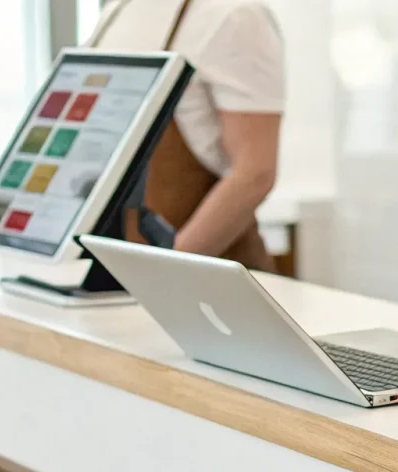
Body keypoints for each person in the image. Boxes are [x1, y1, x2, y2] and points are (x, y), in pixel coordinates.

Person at [88, 0, 284, 270]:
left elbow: (254, 174)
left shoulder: (234, 15)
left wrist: (163, 272)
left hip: (206, 284)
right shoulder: (117, 11)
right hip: (112, 273)